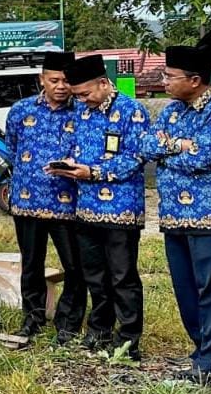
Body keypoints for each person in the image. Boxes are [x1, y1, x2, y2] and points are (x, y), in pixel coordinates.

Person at [48, 54, 150, 357]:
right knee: (95, 276)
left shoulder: (132, 111)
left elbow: (135, 158)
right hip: (86, 207)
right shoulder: (82, 111)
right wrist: (68, 165)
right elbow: (77, 149)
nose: (81, 99)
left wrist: (93, 172)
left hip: (121, 209)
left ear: (104, 83)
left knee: (122, 277)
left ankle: (129, 339)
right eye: (77, 95)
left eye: (85, 93)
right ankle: (99, 330)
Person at [139, 46, 211, 385]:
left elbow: (203, 157)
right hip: (172, 215)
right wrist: (180, 145)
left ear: (194, 80)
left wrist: (169, 148)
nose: (164, 82)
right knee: (185, 289)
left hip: (209, 217)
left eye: (169, 77)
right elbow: (146, 147)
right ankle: (203, 351)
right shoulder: (172, 111)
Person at [2, 51, 87, 345]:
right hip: (27, 202)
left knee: (75, 267)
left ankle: (68, 324)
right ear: (42, 79)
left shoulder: (82, 112)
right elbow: (11, 150)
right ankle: (32, 319)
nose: (61, 86)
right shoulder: (21, 111)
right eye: (54, 80)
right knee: (31, 265)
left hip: (69, 205)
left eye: (66, 80)